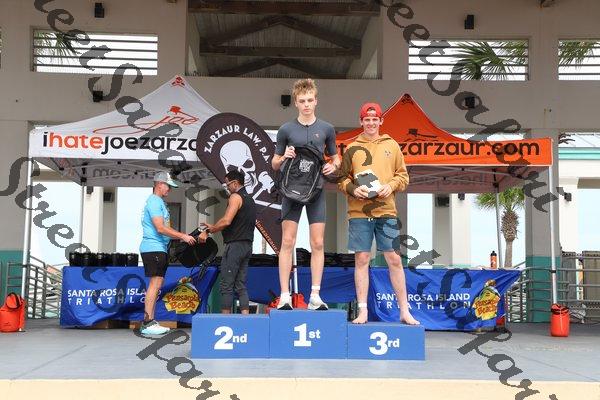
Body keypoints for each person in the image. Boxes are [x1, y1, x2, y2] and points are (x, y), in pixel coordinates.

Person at [337, 103, 420, 325]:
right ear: (361, 121)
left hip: (386, 210)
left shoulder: (392, 145)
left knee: (394, 259)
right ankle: (362, 311)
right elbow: (342, 179)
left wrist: (390, 186)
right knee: (362, 259)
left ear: (381, 121)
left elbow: (403, 176)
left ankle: (404, 311)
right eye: (367, 119)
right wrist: (353, 189)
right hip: (359, 212)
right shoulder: (352, 148)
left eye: (375, 119)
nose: (371, 123)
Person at [271, 78, 340, 310]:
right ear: (296, 103)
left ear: (316, 101)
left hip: (315, 190)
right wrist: (284, 156)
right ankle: (284, 295)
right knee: (287, 241)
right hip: (291, 190)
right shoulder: (286, 129)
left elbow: (336, 157)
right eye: (302, 101)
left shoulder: (327, 128)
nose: (307, 104)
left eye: (310, 100)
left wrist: (333, 166)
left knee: (317, 242)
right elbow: (274, 163)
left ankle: (315, 296)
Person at [139, 171, 196, 335]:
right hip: (153, 247)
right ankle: (147, 323)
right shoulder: (154, 201)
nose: (169, 189)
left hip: (159, 248)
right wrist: (183, 236)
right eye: (167, 186)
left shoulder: (159, 202)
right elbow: (160, 228)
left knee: (157, 284)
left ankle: (150, 321)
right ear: (159, 184)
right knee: (155, 284)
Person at [199, 169, 256, 314]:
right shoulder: (250, 200)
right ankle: (246, 319)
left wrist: (209, 231)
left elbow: (226, 220)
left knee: (227, 284)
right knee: (241, 285)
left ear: (235, 183)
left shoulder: (235, 197)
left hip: (235, 246)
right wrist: (213, 226)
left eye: (227, 184)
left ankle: (226, 320)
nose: (227, 188)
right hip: (247, 246)